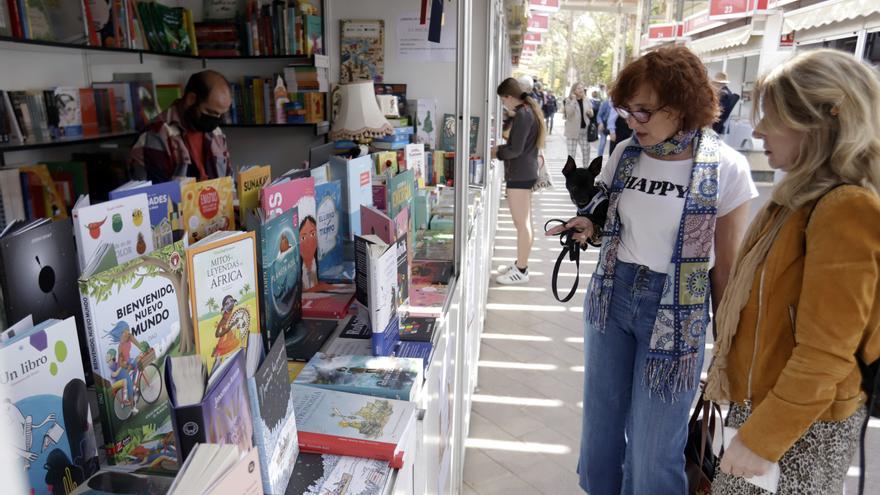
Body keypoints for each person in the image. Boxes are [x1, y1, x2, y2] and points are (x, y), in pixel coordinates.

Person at [546, 45, 757, 494]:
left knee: (654, 444)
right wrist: (588, 224)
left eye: (642, 111)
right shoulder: (625, 153)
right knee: (600, 430)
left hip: (678, 312)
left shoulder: (726, 168)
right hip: (614, 296)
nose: (630, 121)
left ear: (681, 105)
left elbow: (727, 273)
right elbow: (608, 221)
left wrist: (726, 345)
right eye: (627, 110)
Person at [705, 49, 880, 494]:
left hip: (800, 426)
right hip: (774, 408)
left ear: (820, 123)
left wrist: (761, 441)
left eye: (773, 116)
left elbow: (826, 351)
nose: (758, 128)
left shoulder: (845, 208)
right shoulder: (801, 197)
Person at [129, 70, 233, 183]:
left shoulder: (215, 132)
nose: (216, 120)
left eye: (220, 115)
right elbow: (156, 196)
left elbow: (228, 181)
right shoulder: (155, 135)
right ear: (191, 99)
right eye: (210, 112)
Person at [491, 77, 546, 285]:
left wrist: (495, 152)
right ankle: (520, 264)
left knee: (522, 224)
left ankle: (521, 270)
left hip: (520, 174)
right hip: (524, 172)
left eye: (503, 100)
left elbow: (515, 150)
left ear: (508, 96)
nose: (504, 104)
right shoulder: (528, 111)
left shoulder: (523, 114)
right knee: (523, 223)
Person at [564, 82, 594, 166]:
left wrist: (590, 112)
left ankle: (585, 170)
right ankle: (571, 173)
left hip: (584, 131)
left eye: (582, 88)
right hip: (572, 132)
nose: (581, 90)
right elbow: (569, 113)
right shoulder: (569, 100)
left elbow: (591, 113)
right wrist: (573, 100)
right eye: (579, 88)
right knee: (571, 156)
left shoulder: (586, 99)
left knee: (586, 152)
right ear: (574, 90)